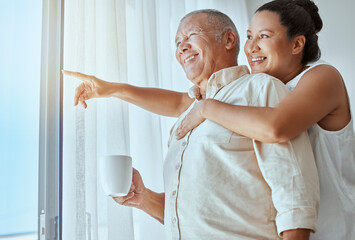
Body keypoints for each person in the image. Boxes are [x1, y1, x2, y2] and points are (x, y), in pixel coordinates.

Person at [65, 0, 354, 239]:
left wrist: (203, 109)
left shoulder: (309, 80)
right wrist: (111, 88)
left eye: (263, 36)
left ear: (297, 44)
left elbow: (277, 128)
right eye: (250, 36)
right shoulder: (224, 103)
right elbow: (181, 103)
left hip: (334, 229)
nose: (251, 47)